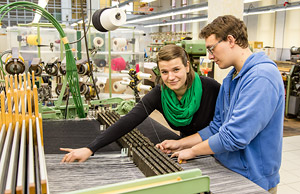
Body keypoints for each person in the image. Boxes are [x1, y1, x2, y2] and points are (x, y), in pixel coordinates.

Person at [156, 15, 284, 193]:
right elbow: (217, 127)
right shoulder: (231, 79)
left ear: (230, 40)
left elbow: (235, 136)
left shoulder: (261, 77)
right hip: (227, 170)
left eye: (212, 48)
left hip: (253, 179)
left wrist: (192, 151)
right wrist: (181, 144)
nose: (210, 56)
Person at [60, 44, 220, 163]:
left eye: (176, 70)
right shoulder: (160, 94)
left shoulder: (211, 88)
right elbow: (129, 121)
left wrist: (185, 146)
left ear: (187, 67)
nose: (171, 77)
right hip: (186, 153)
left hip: (217, 152)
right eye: (164, 72)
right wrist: (91, 148)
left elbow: (225, 128)